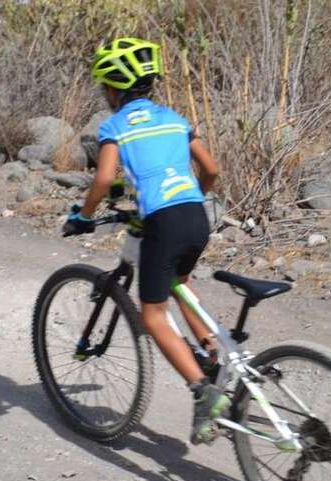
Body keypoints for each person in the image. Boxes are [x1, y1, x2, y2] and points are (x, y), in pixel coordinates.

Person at [62, 37, 230, 445]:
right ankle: (211, 356)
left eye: (104, 87)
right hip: (195, 215)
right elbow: (211, 169)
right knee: (180, 283)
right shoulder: (174, 117)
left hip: (164, 222)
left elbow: (105, 178)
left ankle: (202, 392)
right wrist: (191, 197)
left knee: (152, 315)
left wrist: (84, 216)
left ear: (113, 89)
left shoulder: (115, 126)